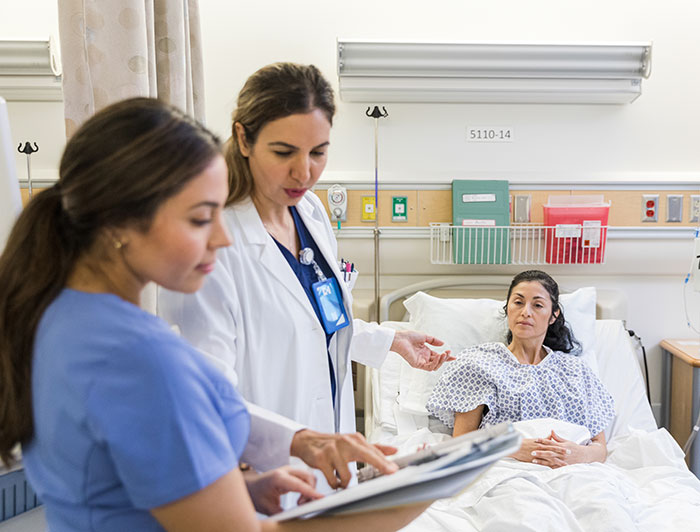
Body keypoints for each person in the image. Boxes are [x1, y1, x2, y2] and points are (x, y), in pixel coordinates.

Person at [0, 98, 431, 531]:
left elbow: (117, 477)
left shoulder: (57, 318)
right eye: (202, 218)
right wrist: (407, 500)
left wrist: (242, 487)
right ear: (118, 224)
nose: (223, 238)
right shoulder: (139, 358)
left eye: (318, 151)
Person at [157, 63, 453, 490]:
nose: (304, 172)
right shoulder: (211, 245)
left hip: (325, 459)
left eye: (318, 152)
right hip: (259, 473)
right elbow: (205, 392)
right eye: (283, 152)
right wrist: (256, 468)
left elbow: (314, 318)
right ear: (243, 138)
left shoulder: (310, 213)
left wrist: (388, 341)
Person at [426, 270, 615, 469]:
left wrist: (579, 454)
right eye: (518, 302)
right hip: (504, 467)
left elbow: (599, 448)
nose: (526, 312)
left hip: (574, 470)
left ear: (553, 316)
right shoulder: (479, 363)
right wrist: (513, 447)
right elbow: (462, 441)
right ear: (507, 308)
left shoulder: (575, 371)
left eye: (538, 305)